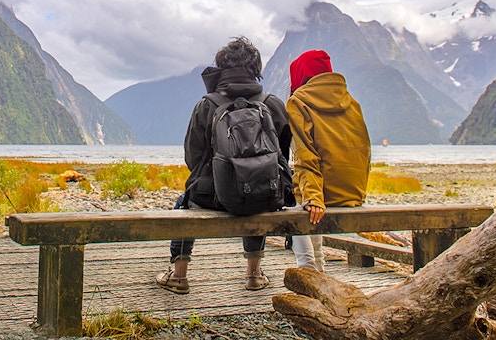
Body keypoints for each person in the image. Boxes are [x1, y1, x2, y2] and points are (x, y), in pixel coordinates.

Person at [155, 36, 293, 294]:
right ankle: (254, 274)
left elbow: (192, 157)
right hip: (263, 195)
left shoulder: (207, 104)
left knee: (184, 203)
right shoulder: (272, 103)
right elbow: (281, 155)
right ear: (256, 69)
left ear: (221, 68)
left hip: (212, 197)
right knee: (257, 189)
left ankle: (179, 275)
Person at [287, 49, 371, 270]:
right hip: (353, 193)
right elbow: (363, 150)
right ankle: (320, 267)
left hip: (323, 196)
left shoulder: (298, 102)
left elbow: (305, 156)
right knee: (307, 193)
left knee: (295, 199)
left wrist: (313, 197)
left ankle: (307, 267)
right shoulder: (352, 102)